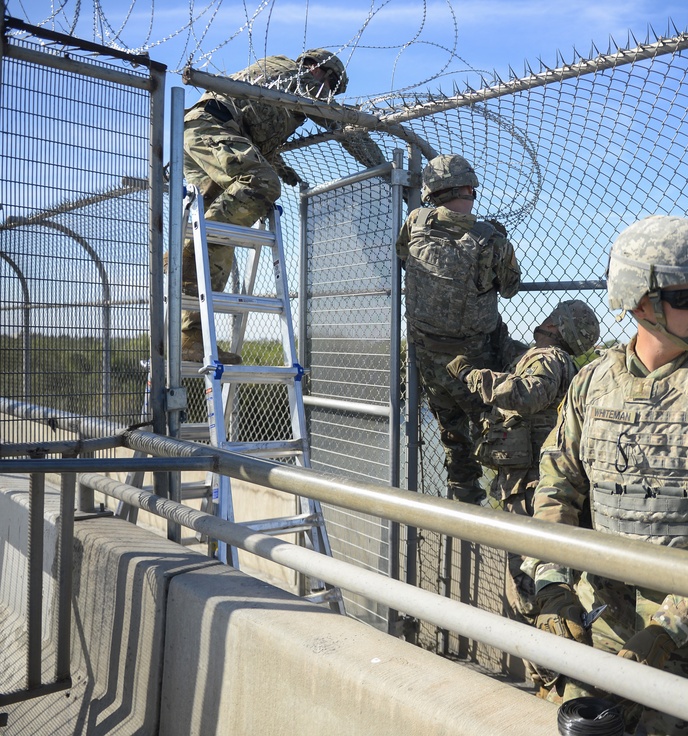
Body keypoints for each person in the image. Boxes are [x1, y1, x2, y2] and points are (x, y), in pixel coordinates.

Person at [523, 215, 688, 735]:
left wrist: (667, 629)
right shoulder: (592, 383)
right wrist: (553, 588)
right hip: (598, 621)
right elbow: (556, 490)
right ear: (640, 302)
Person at [180, 49, 386, 364]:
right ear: (317, 69)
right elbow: (342, 127)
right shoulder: (297, 77)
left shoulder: (283, 88)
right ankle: (196, 245)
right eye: (330, 85)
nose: (328, 94)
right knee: (261, 186)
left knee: (218, 228)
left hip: (206, 129)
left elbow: (256, 122)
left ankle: (189, 336)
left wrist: (278, 162)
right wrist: (382, 167)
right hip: (212, 124)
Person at [446, 299, 600, 686]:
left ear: (560, 328)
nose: (544, 320)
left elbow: (527, 394)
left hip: (530, 489)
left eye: (553, 318)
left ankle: (548, 678)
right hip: (534, 486)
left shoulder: (547, 357)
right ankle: (555, 671)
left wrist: (470, 374)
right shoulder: (551, 359)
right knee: (540, 576)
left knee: (527, 582)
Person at [396, 154, 521, 504]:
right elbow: (510, 287)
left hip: (428, 352)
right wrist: (498, 243)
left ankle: (463, 491)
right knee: (493, 427)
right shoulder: (488, 238)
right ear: (470, 187)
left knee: (450, 429)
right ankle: (508, 502)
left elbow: (403, 257)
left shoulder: (414, 222)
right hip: (475, 359)